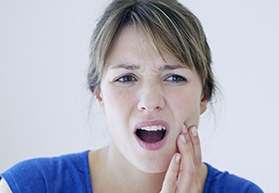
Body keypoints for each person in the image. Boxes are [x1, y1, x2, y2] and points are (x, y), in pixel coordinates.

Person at [0, 0, 264, 192]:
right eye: (125, 78)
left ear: (204, 95)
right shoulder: (28, 186)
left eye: (174, 77)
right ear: (99, 95)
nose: (150, 102)